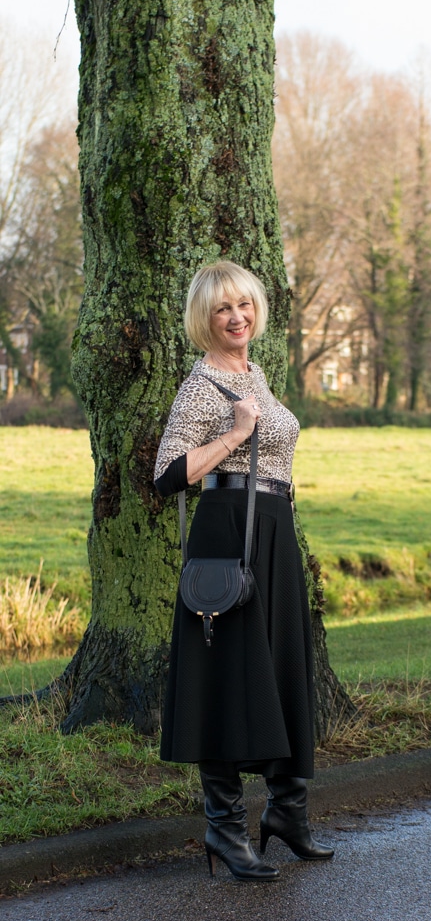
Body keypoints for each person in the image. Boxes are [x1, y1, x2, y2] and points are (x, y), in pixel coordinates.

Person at [154, 260, 333, 881]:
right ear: (205, 320)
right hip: (227, 534)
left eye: (245, 306)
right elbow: (168, 475)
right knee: (226, 676)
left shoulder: (255, 374)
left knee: (281, 667)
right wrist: (235, 433)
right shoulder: (201, 386)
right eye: (223, 310)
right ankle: (224, 830)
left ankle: (288, 813)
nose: (237, 318)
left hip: (274, 534)